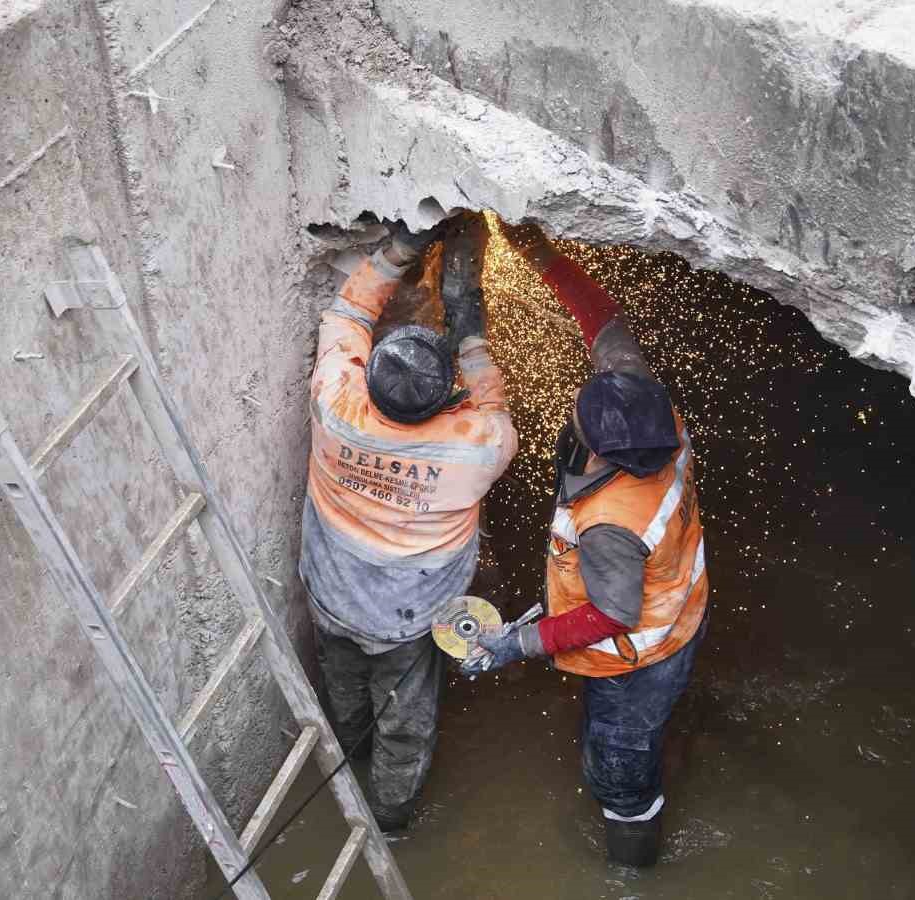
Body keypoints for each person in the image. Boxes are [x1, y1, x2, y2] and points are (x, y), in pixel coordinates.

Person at [463, 224, 709, 867]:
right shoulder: (648, 410)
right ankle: (664, 739)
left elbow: (611, 615)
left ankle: (632, 865)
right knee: (647, 729)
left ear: (602, 449)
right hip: (680, 614)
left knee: (619, 772)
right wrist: (541, 255)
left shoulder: (610, 526)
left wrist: (515, 645)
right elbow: (605, 323)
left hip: (636, 657)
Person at [300, 215, 516, 832]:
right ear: (445, 397)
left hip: (330, 594)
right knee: (405, 720)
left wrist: (403, 248)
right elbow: (491, 400)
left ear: (372, 378)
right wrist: (468, 325)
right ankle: (391, 820)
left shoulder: (336, 405)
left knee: (342, 688)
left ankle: (347, 759)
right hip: (408, 621)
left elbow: (347, 316)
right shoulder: (477, 446)